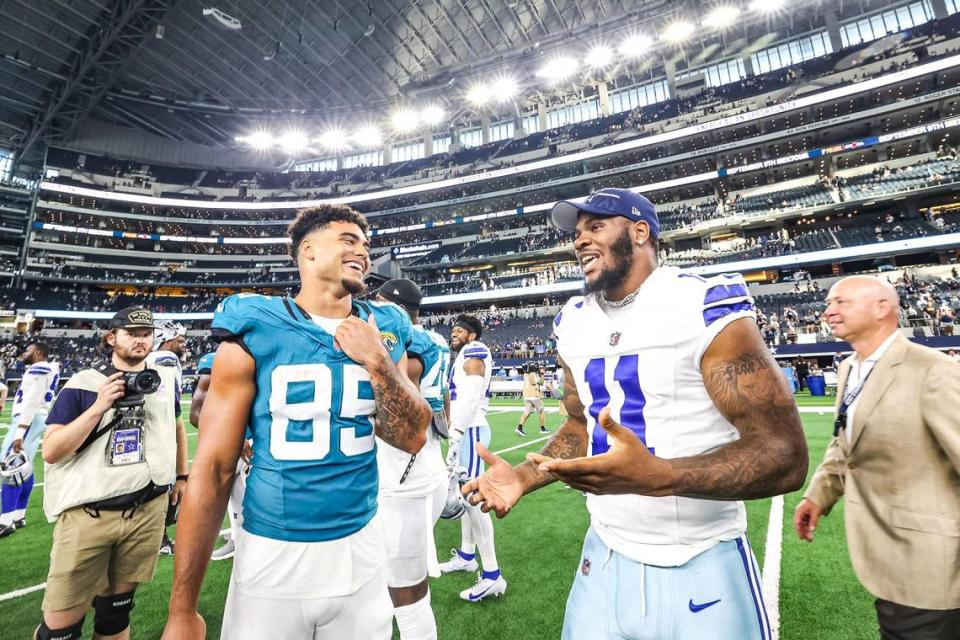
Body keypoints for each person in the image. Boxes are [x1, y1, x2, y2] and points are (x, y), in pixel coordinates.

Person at [464, 188, 808, 639]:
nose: (580, 240)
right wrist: (526, 477)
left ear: (640, 231)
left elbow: (784, 455)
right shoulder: (572, 321)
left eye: (597, 226)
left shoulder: (701, 304)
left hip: (701, 554)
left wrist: (661, 476)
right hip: (603, 553)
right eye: (577, 232)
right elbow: (579, 423)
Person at [162, 205, 431, 640]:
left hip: (361, 546)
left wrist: (377, 359)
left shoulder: (385, 325)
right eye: (348, 239)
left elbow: (411, 436)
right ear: (308, 250)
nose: (363, 250)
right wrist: (181, 610)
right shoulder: (257, 324)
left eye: (365, 243)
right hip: (274, 550)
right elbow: (213, 469)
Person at [794, 276, 960, 639]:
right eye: (828, 303)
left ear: (882, 308)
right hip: (890, 560)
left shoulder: (933, 371)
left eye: (841, 302)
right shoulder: (850, 367)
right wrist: (817, 496)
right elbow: (845, 444)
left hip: (931, 566)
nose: (828, 311)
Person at [36, 308, 186, 640]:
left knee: (115, 615)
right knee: (60, 630)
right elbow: (52, 450)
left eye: (146, 334)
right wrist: (99, 405)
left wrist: (182, 477)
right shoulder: (84, 382)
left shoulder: (161, 379)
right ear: (111, 337)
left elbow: (175, 426)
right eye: (132, 333)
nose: (141, 340)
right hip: (90, 515)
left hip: (146, 511)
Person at [375, 278, 450, 640]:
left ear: (390, 304)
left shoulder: (401, 337)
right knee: (396, 582)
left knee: (405, 593)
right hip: (430, 457)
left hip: (404, 466)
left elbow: (402, 411)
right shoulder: (435, 338)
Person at [439, 314, 506, 602]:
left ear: (473, 335)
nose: (454, 334)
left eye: (460, 330)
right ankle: (468, 555)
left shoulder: (473, 349)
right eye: (452, 329)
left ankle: (492, 575)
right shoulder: (463, 352)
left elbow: (473, 388)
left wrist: (456, 432)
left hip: (472, 430)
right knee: (467, 499)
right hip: (469, 430)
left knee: (475, 501)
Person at [189, 350, 249, 562]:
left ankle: (240, 540)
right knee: (232, 497)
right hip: (237, 443)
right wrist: (233, 437)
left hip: (261, 442)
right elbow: (196, 414)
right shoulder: (218, 358)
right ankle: (236, 540)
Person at [0, 342, 59, 536]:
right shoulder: (49, 367)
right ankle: (18, 515)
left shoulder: (38, 368)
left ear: (38, 353)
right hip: (37, 418)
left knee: (10, 466)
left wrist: (19, 432)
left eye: (29, 351)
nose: (25, 353)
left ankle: (5, 520)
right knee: (24, 468)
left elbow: (32, 399)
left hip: (29, 418)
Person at [147, 321, 189, 555]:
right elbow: (171, 409)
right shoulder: (165, 359)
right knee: (165, 489)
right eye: (180, 340)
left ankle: (159, 536)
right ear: (167, 340)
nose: (184, 345)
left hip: (155, 431)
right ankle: (159, 537)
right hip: (160, 432)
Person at [515, 363, 549, 436]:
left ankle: (519, 427)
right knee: (541, 410)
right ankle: (542, 428)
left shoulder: (526, 374)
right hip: (534, 395)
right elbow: (534, 382)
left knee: (527, 412)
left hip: (527, 396)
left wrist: (542, 374)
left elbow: (541, 383)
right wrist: (540, 374)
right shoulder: (532, 374)